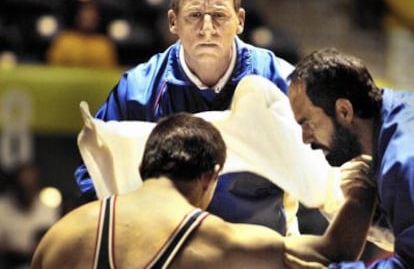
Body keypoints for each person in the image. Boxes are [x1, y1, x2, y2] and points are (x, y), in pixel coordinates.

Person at [74, 0, 294, 235]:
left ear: (240, 20)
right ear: (173, 21)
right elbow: (92, 173)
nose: (206, 28)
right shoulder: (137, 90)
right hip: (166, 249)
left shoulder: (282, 83)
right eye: (194, 15)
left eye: (219, 15)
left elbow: (329, 167)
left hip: (262, 248)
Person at [33, 113, 377, 269]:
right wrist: (363, 184)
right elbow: (333, 250)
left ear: (143, 168)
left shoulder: (64, 234)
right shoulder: (218, 241)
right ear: (211, 178)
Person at [287, 47, 414, 268]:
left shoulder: (402, 162)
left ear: (344, 111)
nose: (306, 138)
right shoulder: (399, 109)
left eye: (308, 123)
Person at [0, 164, 60, 268]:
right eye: (23, 187)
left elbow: (56, 240)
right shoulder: (2, 206)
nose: (27, 192)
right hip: (10, 263)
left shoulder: (49, 204)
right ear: (15, 186)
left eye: (30, 187)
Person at [46, 0, 119, 68]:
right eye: (85, 13)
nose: (88, 18)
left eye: (92, 14)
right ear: (77, 16)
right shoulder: (64, 41)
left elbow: (109, 74)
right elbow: (53, 69)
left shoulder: (104, 45)